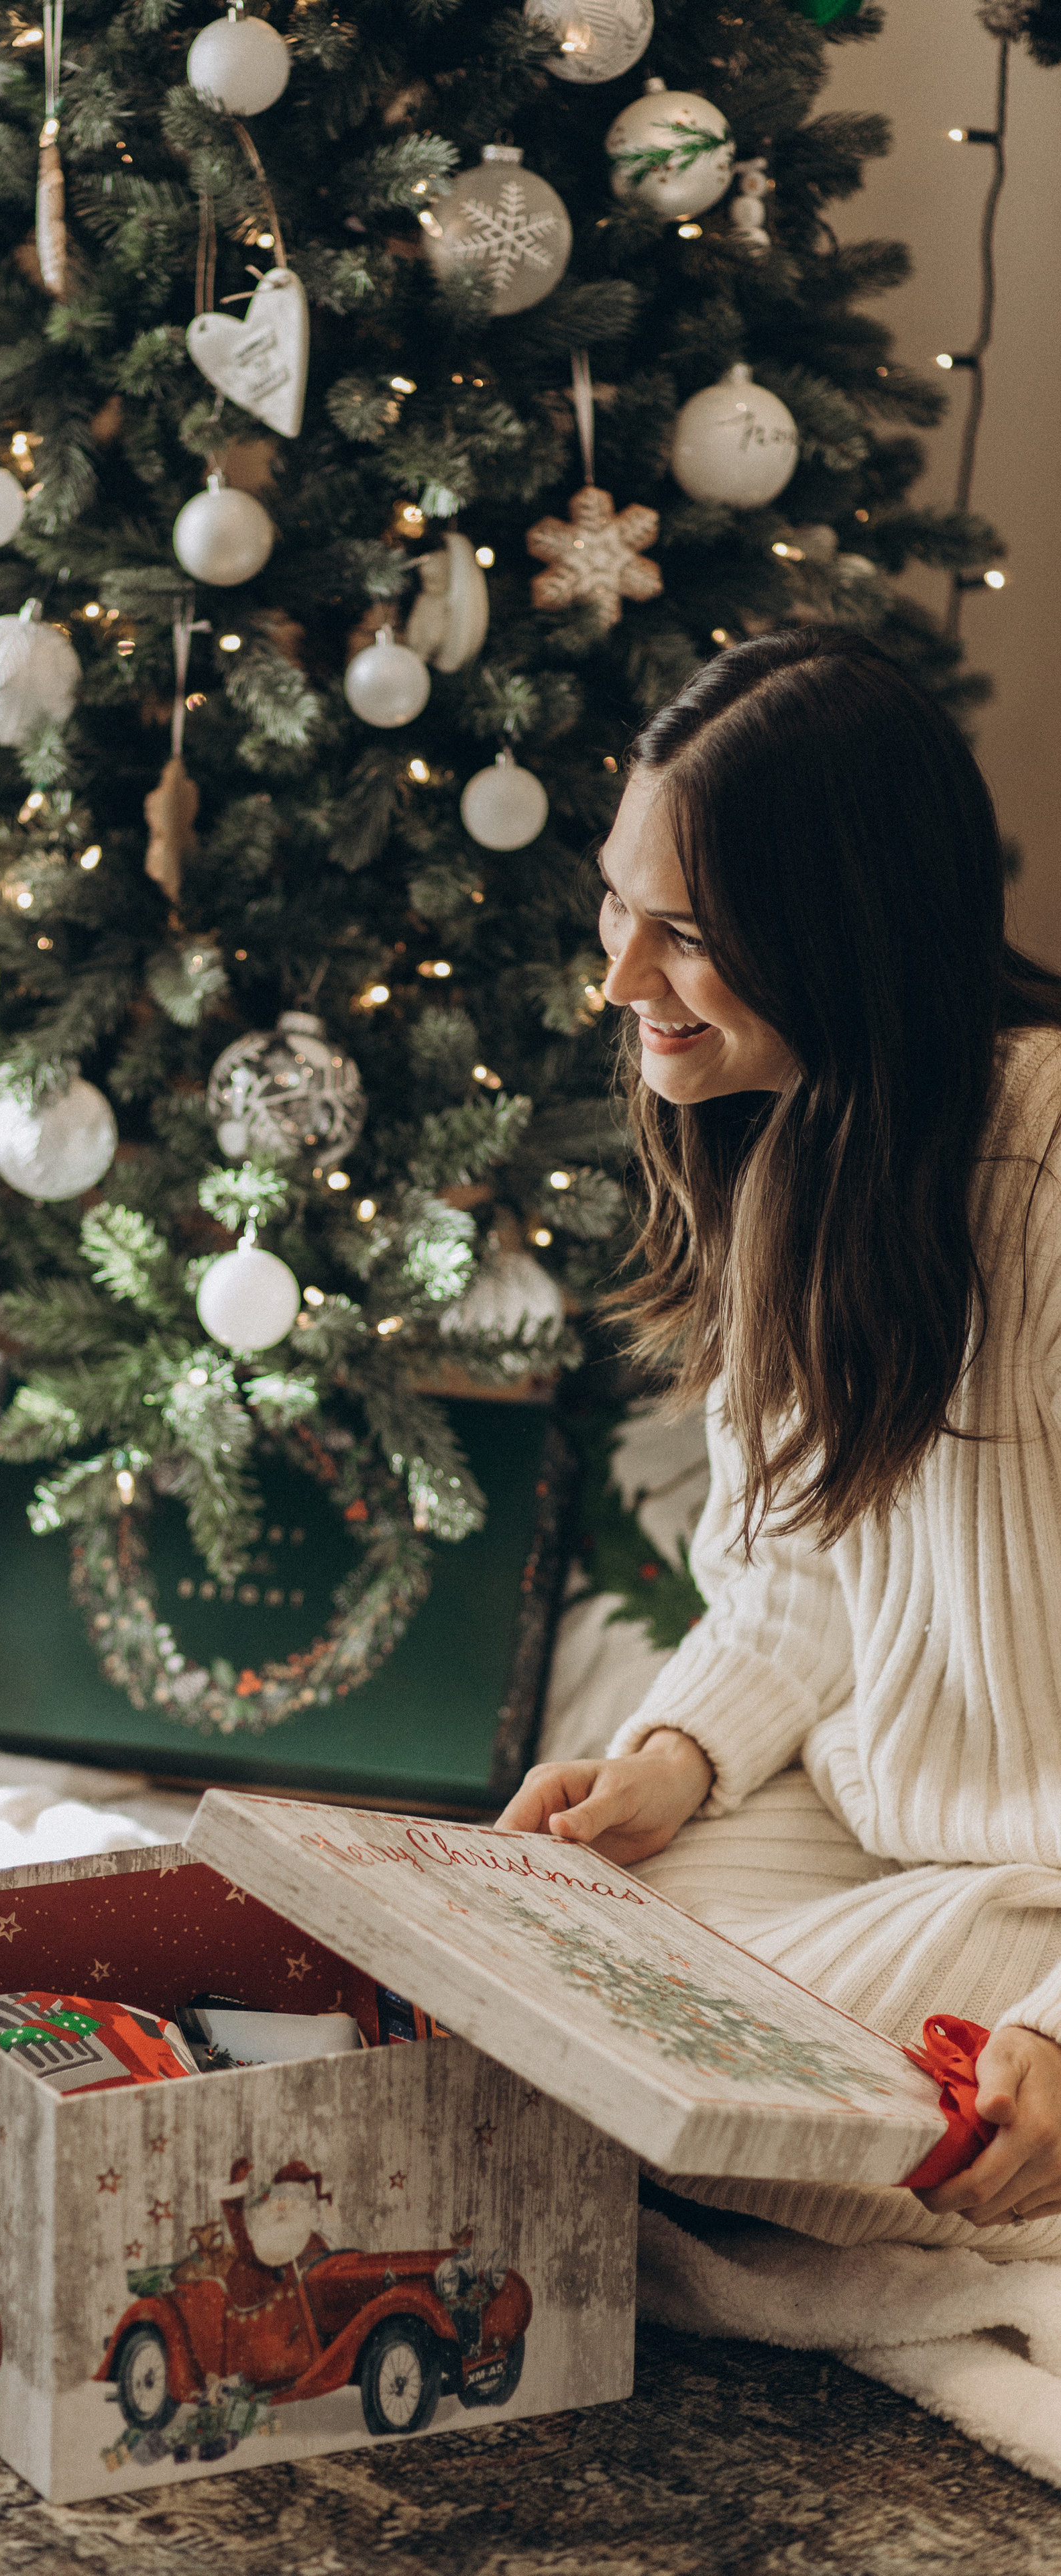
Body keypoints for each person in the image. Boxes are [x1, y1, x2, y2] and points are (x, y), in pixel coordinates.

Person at [500, 627, 1061, 2254]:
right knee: (539, 1969)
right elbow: (789, 1576)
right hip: (882, 1832)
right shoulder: (776, 1124)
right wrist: (674, 1759)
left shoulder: (1043, 1165)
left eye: (686, 934)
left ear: (843, 934)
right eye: (618, 901)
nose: (617, 979)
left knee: (649, 2091)